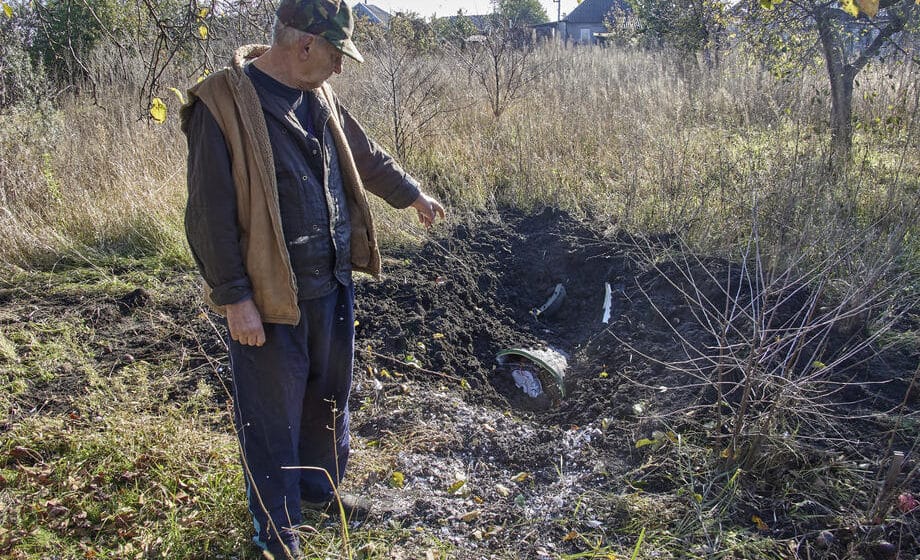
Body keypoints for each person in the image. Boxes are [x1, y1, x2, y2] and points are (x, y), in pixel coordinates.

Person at [180, 0, 445, 557]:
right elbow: (209, 214)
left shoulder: (319, 94)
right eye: (336, 53)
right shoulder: (222, 103)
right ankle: (274, 533)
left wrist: (411, 193)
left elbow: (365, 155)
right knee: (270, 417)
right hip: (272, 298)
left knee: (327, 397)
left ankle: (318, 492)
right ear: (304, 45)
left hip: (330, 283)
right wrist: (235, 299)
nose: (340, 67)